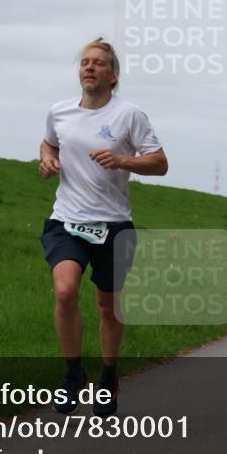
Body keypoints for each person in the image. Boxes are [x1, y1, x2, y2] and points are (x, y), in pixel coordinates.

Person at [39, 37, 168, 417]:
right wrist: (47, 160)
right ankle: (73, 375)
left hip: (113, 224)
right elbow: (49, 144)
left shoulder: (129, 115)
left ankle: (108, 376)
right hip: (67, 218)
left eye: (98, 63)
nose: (89, 67)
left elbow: (159, 163)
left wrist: (123, 160)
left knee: (107, 307)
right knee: (65, 292)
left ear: (113, 75)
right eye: (84, 62)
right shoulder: (59, 112)